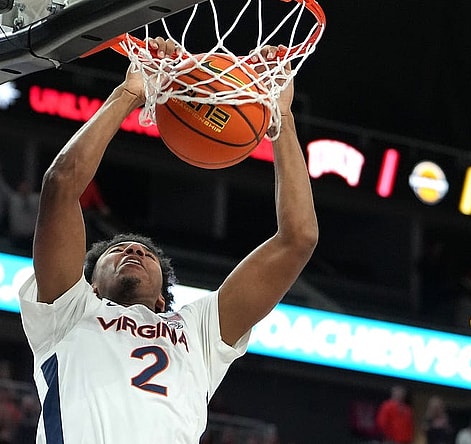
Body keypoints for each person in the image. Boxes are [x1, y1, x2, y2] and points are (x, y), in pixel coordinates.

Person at [18, 38, 318, 443]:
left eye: (146, 254)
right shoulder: (66, 310)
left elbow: (298, 238)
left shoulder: (199, 332)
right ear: (90, 284)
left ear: (162, 299)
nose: (134, 250)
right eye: (117, 250)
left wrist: (281, 117)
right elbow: (60, 184)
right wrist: (130, 93)